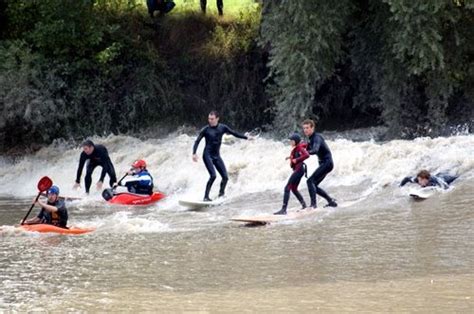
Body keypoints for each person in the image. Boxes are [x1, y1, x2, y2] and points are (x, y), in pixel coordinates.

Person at [193, 110, 251, 201]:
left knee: (225, 177)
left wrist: (246, 137)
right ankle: (206, 197)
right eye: (209, 119)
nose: (210, 121)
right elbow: (197, 141)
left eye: (212, 119)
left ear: (217, 119)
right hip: (207, 155)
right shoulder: (205, 130)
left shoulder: (222, 128)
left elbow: (234, 133)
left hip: (216, 156)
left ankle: (221, 195)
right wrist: (194, 153)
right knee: (213, 176)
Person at [302, 119, 337, 208]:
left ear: (312, 128)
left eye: (307, 128)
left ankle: (313, 205)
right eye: (304, 128)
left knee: (310, 181)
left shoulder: (317, 137)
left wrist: (305, 152)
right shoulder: (310, 139)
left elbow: (315, 150)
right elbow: (307, 150)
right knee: (313, 186)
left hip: (327, 163)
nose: (305, 130)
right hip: (323, 164)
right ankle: (331, 201)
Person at [274, 133, 309, 215]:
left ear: (295, 141)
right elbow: (298, 154)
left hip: (299, 170)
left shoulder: (299, 147)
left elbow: (306, 155)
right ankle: (304, 206)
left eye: (291, 141)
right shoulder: (296, 148)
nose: (290, 142)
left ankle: (283, 210)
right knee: (294, 188)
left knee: (287, 188)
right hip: (299, 170)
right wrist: (290, 157)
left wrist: (296, 160)